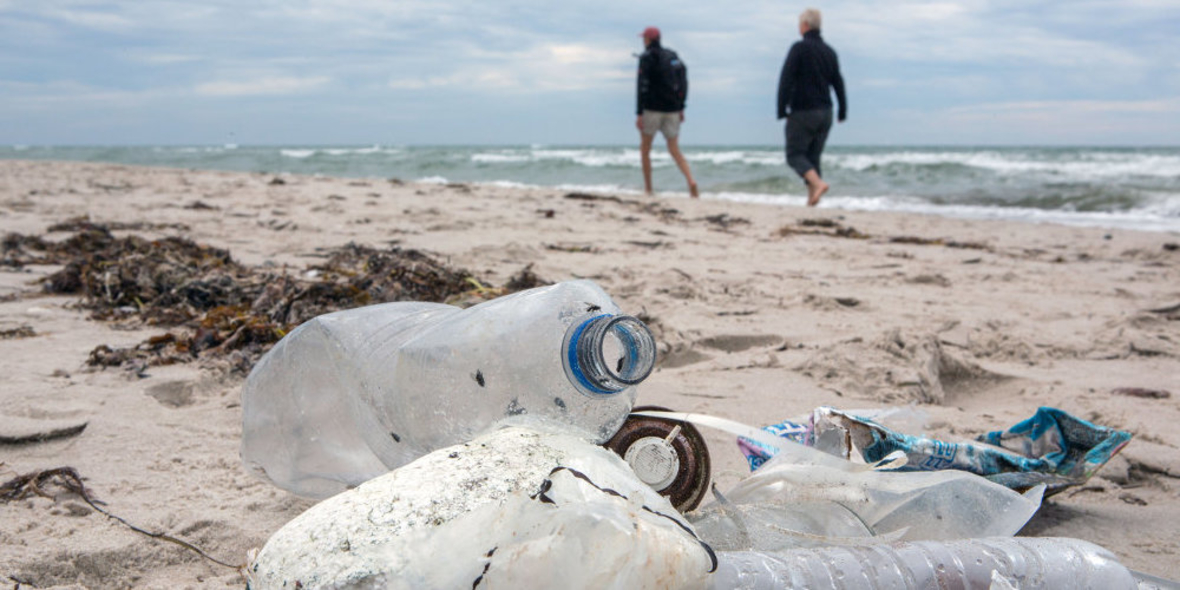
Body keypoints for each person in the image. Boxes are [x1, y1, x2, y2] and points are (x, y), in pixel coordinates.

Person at [777, 8, 846, 207]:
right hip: (826, 113)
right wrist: (843, 110)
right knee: (813, 158)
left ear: (805, 25)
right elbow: (838, 83)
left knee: (794, 155)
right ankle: (811, 202)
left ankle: (818, 184)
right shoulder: (829, 51)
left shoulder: (799, 48)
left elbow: (786, 79)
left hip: (803, 110)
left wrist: (781, 109)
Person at [636, 26, 699, 198]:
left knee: (645, 149)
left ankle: (649, 188)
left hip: (651, 108)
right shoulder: (672, 56)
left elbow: (641, 86)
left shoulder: (646, 57)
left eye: (644, 38)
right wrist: (681, 107)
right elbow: (684, 81)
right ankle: (691, 180)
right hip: (673, 109)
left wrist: (639, 113)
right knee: (674, 148)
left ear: (648, 40)